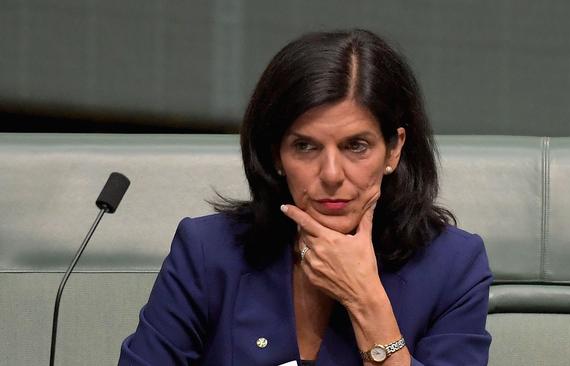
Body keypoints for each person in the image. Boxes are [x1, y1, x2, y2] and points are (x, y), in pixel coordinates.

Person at [119, 29, 491, 365]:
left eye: (356, 146)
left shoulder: (453, 265)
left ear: (393, 150)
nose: (331, 174)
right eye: (305, 147)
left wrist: (366, 300)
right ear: (276, 155)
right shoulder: (207, 251)